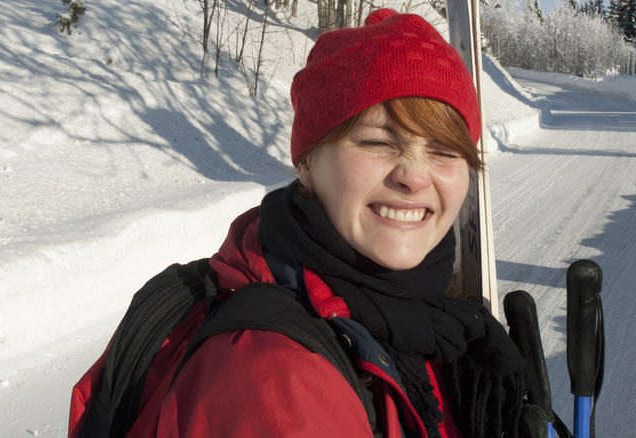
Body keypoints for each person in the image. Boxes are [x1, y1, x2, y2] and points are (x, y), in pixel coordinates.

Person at [70, 8, 527, 438]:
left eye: (444, 151)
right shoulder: (278, 380)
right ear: (306, 164)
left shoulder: (419, 315)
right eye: (376, 142)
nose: (413, 176)